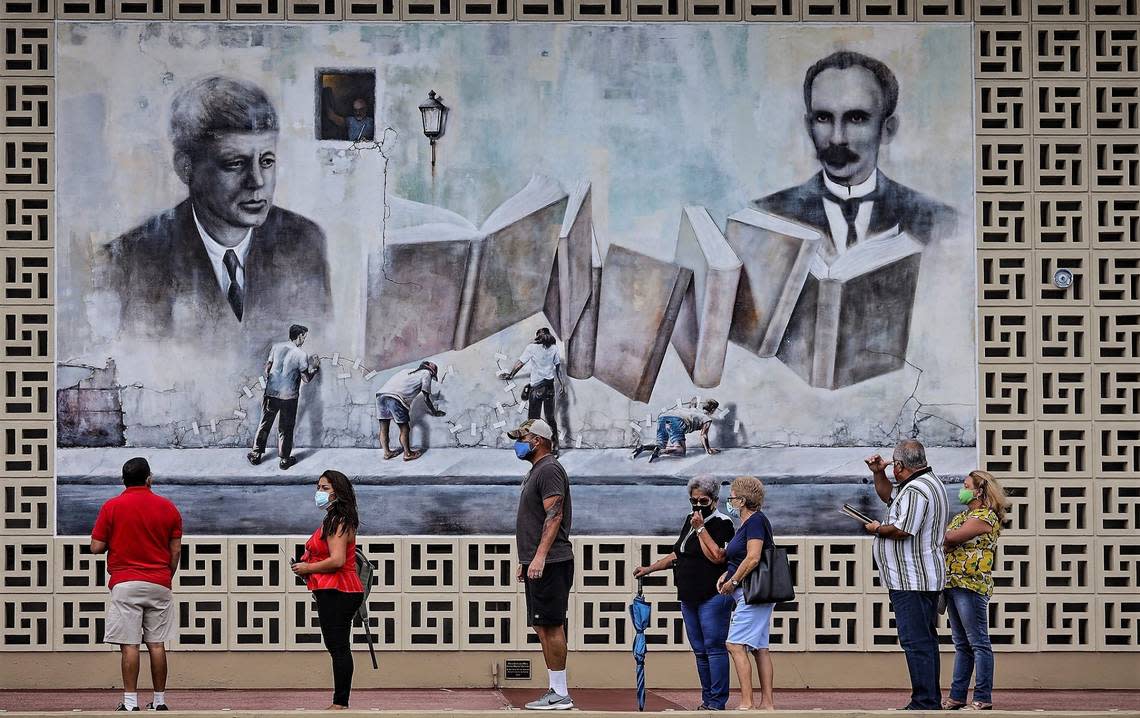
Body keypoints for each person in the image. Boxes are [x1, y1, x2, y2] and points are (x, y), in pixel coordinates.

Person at [104, 75, 332, 338]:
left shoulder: (303, 241)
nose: (257, 181)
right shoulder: (129, 262)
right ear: (186, 168)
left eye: (267, 161)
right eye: (235, 163)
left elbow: (316, 356)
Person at [753, 50, 956, 251]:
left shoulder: (940, 222)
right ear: (808, 126)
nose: (837, 138)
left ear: (888, 129)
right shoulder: (765, 218)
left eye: (856, 118)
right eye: (823, 118)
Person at [863, 439, 951, 711]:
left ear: (900, 466)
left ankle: (924, 701)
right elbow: (889, 496)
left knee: (916, 641)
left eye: (892, 465)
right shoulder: (928, 483)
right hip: (921, 577)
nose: (891, 469)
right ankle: (929, 699)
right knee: (925, 640)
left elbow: (902, 529)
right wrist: (878, 473)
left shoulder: (916, 490)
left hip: (912, 579)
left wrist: (878, 528)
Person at [89, 457, 183, 712]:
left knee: (129, 645)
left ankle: (130, 703)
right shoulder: (168, 508)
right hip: (159, 582)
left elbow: (96, 547)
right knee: (156, 644)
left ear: (123, 480)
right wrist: (166, 577)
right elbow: (175, 552)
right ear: (149, 478)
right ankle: (160, 701)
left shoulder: (112, 507)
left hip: (125, 583)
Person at [634, 477, 734, 711]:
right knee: (699, 650)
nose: (697, 505)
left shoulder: (722, 523)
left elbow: (718, 556)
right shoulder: (689, 522)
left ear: (714, 501)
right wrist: (650, 568)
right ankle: (707, 699)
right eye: (693, 500)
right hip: (688, 596)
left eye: (703, 501)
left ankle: (718, 702)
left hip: (713, 595)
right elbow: (679, 553)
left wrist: (701, 528)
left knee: (714, 646)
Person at [509, 418, 574, 711]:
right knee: (542, 626)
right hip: (539, 561)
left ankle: (560, 692)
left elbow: (554, 515)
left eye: (522, 438)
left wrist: (539, 556)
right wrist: (527, 559)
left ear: (537, 440)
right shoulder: (538, 470)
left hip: (552, 561)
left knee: (552, 624)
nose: (518, 444)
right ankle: (554, 689)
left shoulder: (549, 469)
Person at [290, 470, 364, 710]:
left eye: (325, 488)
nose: (319, 493)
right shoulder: (339, 518)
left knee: (338, 647)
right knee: (339, 646)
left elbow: (338, 560)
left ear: (337, 492)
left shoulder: (337, 521)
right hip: (340, 590)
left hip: (337, 589)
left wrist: (308, 568)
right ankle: (340, 701)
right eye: (318, 487)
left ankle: (340, 703)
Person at [942, 470, 1008, 711]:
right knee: (962, 644)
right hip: (952, 583)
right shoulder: (964, 515)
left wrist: (949, 540)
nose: (962, 489)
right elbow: (946, 541)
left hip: (971, 585)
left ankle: (982, 697)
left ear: (979, 491)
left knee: (978, 642)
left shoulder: (985, 517)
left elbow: (951, 537)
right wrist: (948, 540)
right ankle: (957, 696)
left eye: (966, 485)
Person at [716, 476, 777, 711]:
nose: (729, 501)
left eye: (731, 497)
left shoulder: (754, 522)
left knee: (734, 644)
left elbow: (753, 557)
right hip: (753, 593)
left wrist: (733, 580)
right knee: (759, 648)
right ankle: (767, 704)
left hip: (752, 593)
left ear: (741, 500)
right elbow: (743, 557)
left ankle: (747, 702)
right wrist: (728, 573)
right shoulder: (751, 523)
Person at [248, 324, 320, 470]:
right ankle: (284, 459)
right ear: (299, 336)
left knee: (265, 424)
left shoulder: (276, 347)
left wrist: (276, 380)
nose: (304, 340)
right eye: (304, 336)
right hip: (289, 397)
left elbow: (267, 369)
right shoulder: (301, 355)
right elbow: (306, 379)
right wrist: (315, 368)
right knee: (286, 428)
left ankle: (256, 454)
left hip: (271, 394)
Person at [499, 328, 565, 454]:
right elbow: (558, 368)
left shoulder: (531, 348)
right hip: (550, 387)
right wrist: (562, 384)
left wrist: (511, 375)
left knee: (533, 418)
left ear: (538, 337)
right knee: (550, 418)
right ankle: (555, 447)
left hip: (537, 388)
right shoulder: (554, 348)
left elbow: (520, 363)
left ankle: (526, 437)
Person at [375, 360, 446, 461]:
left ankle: (387, 453)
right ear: (432, 372)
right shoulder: (426, 374)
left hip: (381, 396)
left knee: (384, 428)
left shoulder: (406, 371)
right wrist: (434, 412)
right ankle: (407, 453)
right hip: (396, 398)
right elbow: (426, 397)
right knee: (405, 429)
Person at [631, 399, 720, 462]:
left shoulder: (693, 409)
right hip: (676, 420)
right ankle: (660, 452)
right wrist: (708, 450)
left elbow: (693, 403)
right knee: (680, 451)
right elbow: (703, 435)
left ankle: (643, 447)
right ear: (712, 409)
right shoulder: (706, 418)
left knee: (661, 444)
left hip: (663, 417)